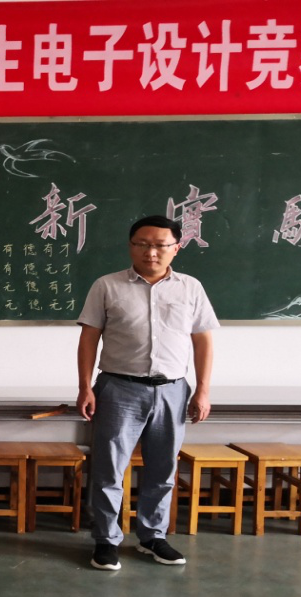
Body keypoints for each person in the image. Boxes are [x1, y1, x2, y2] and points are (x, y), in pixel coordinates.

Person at [76, 215, 218, 571]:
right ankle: (106, 540)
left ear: (176, 248)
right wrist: (84, 387)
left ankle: (152, 537)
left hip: (172, 390)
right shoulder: (107, 286)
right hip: (118, 388)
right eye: (142, 244)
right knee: (109, 469)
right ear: (130, 246)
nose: (150, 252)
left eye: (159, 245)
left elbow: (202, 341)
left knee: (163, 468)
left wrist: (202, 390)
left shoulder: (191, 288)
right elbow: (89, 339)